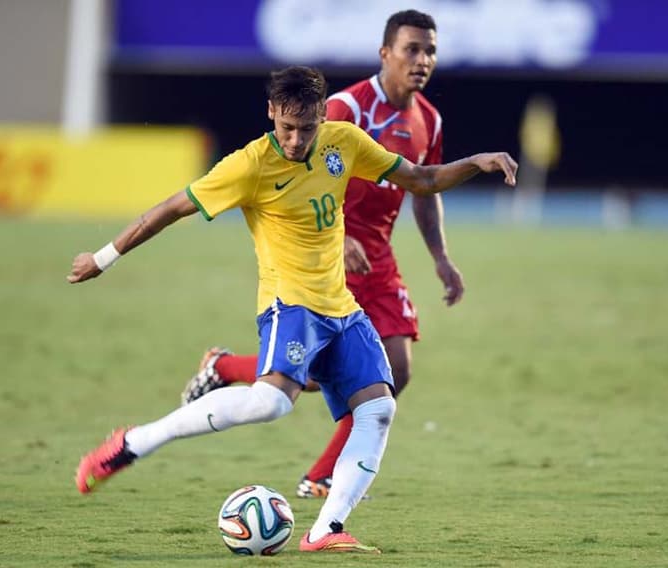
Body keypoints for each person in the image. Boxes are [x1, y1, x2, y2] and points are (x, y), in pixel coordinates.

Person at [69, 65, 517, 554]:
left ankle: (325, 529)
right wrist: (102, 258)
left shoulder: (343, 141)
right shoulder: (249, 165)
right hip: (290, 304)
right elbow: (170, 209)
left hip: (341, 306)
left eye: (307, 127)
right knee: (272, 403)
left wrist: (477, 161)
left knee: (380, 408)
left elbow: (422, 179)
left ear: (323, 115)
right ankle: (133, 442)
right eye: (287, 127)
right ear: (271, 114)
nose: (297, 139)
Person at [180, 9, 460, 500]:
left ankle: (321, 473)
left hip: (379, 257)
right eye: (412, 49)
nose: (422, 60)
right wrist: (340, 232)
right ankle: (225, 368)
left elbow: (423, 186)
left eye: (430, 50)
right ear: (386, 53)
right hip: (327, 253)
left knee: (396, 370)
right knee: (308, 376)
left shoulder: (428, 120)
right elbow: (307, 173)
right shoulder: (347, 108)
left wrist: (440, 256)